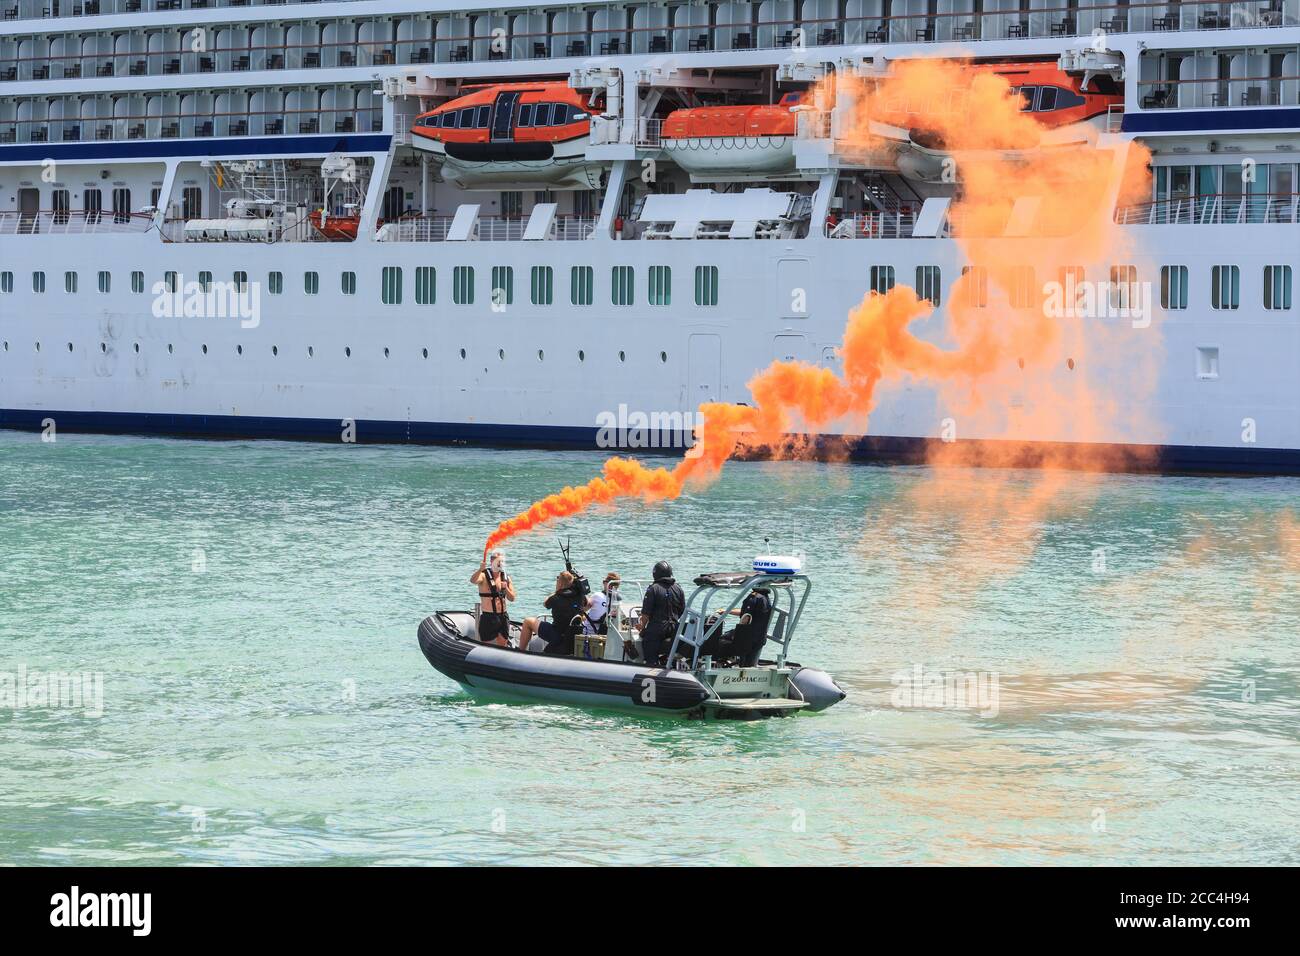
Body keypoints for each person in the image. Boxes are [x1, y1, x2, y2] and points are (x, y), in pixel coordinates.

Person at [518, 571, 586, 655]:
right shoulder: (580, 597)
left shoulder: (555, 598)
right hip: (573, 634)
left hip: (557, 634)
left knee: (528, 621)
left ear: (560, 584)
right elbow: (587, 604)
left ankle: (520, 652)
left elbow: (545, 604)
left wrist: (557, 591)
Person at [705, 586, 774, 666]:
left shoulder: (754, 597)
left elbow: (746, 617)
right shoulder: (766, 599)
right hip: (760, 638)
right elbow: (747, 612)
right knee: (748, 663)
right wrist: (727, 611)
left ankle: (713, 663)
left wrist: (738, 633)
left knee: (719, 640)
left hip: (747, 638)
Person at [639, 561, 684, 666]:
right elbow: (682, 610)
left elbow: (646, 613)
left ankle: (651, 667)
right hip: (674, 627)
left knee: (648, 645)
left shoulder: (653, 589)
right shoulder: (678, 588)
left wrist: (642, 627)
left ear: (655, 574)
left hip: (657, 627)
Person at [470, 551, 516, 647]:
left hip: (503, 616)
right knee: (485, 645)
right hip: (488, 617)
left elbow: (512, 598)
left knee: (503, 644)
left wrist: (506, 589)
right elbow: (473, 580)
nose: (500, 563)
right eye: (498, 561)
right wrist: (480, 569)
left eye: (502, 561)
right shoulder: (483, 575)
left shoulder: (506, 577)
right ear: (491, 561)